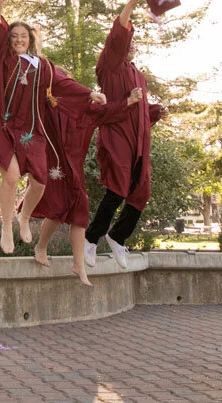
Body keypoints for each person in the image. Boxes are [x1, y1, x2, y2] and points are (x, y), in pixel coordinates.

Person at [0, 0, 106, 254]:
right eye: (14, 36)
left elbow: (63, 84)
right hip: (4, 127)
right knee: (10, 177)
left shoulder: (43, 65)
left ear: (30, 39)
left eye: (24, 36)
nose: (19, 40)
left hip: (31, 130)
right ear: (9, 40)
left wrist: (90, 93)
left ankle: (24, 217)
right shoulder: (3, 58)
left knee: (41, 182)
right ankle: (6, 226)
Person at [85, 0, 167, 268]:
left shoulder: (139, 75)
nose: (131, 45)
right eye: (127, 42)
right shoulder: (111, 65)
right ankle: (90, 239)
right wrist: (131, 2)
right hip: (117, 136)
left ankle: (117, 236)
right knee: (118, 189)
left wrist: (156, 111)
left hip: (138, 142)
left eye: (134, 44)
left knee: (141, 192)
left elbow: (141, 112)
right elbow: (118, 34)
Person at [33, 84, 144, 286]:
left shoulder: (85, 111)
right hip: (55, 166)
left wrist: (129, 101)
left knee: (80, 212)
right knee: (58, 208)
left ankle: (79, 265)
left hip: (75, 168)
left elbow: (106, 112)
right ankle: (41, 247)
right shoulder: (47, 106)